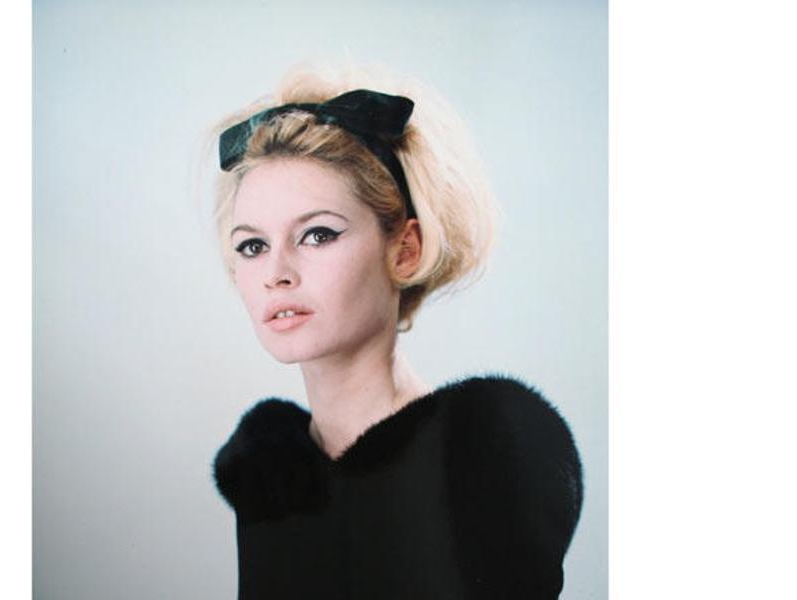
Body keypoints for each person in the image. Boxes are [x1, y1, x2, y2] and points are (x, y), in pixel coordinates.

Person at [209, 64, 583, 599]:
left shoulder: (484, 452)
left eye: (317, 235)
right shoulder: (272, 479)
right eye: (252, 246)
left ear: (405, 249)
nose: (276, 273)